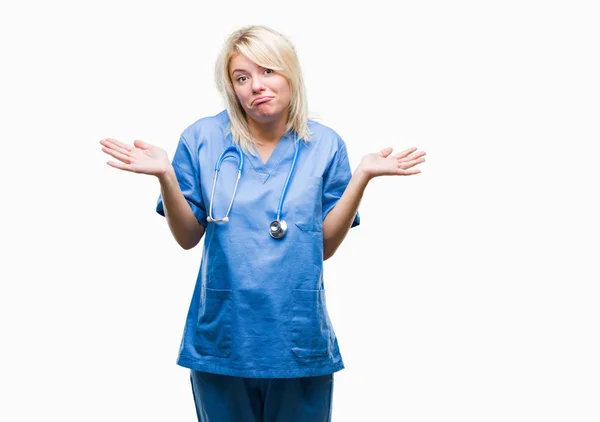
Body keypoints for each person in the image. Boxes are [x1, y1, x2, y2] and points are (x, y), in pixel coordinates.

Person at [100, 25, 425, 422]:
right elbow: (187, 237)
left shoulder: (325, 145)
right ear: (231, 87)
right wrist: (165, 176)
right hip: (224, 336)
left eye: (268, 71)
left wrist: (362, 177)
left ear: (291, 73)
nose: (256, 86)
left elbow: (322, 247)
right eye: (242, 77)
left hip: (297, 340)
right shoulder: (202, 138)